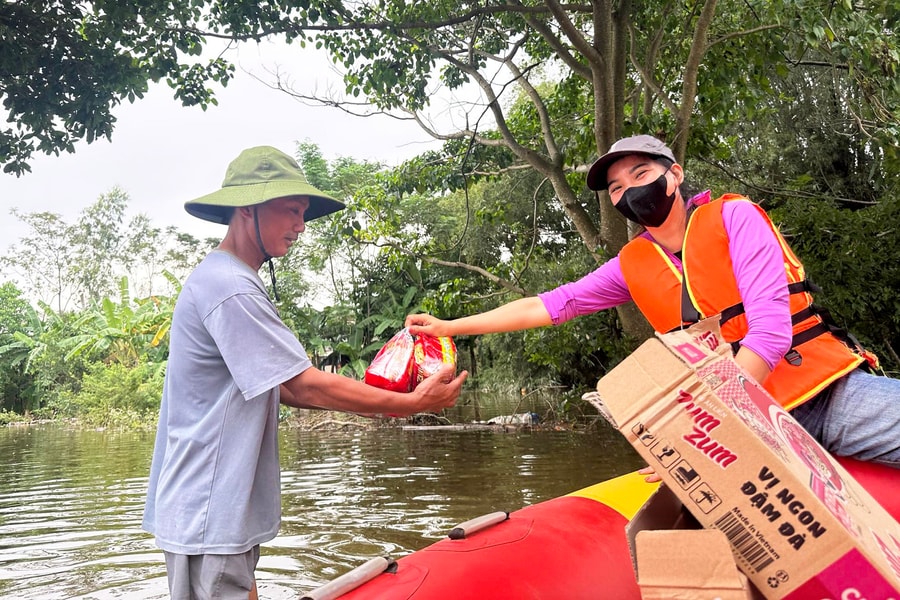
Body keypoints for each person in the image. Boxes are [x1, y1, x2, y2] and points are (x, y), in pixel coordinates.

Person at [405, 134, 899, 470]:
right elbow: (551, 304)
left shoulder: (735, 218)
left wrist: (711, 430)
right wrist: (450, 327)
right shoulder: (631, 262)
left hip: (825, 399)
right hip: (743, 426)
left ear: (675, 174)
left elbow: (770, 332)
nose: (629, 191)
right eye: (617, 187)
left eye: (640, 174)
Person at [142, 146, 468, 600]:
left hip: (217, 505)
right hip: (208, 509)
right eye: (291, 211)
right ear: (247, 209)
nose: (301, 225)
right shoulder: (229, 287)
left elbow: (284, 387)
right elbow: (302, 385)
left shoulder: (229, 278)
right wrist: (411, 404)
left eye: (304, 213)